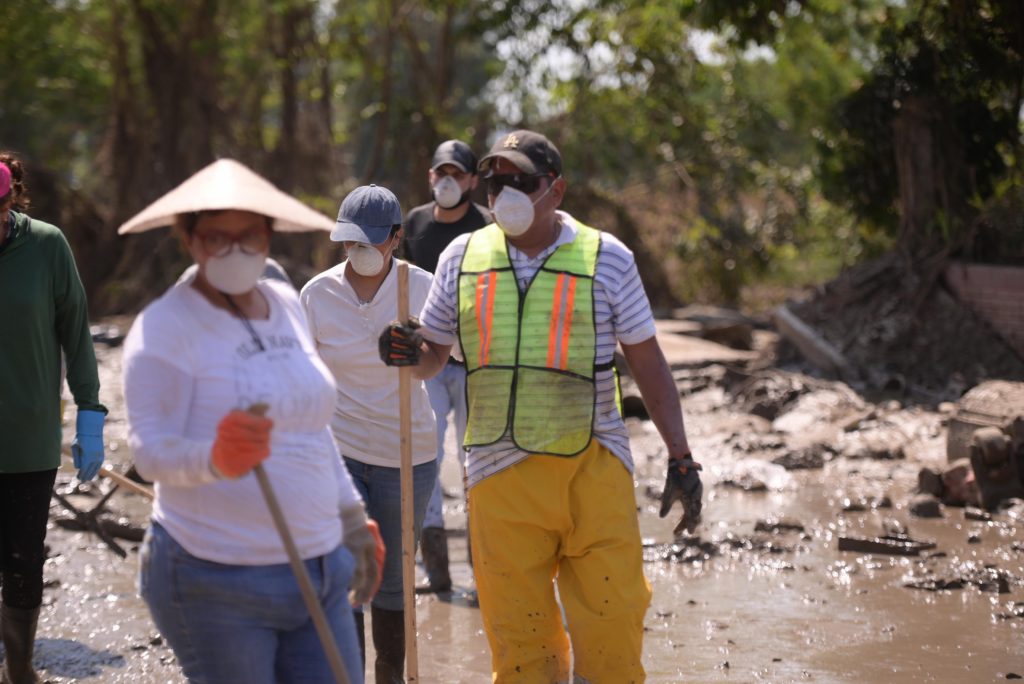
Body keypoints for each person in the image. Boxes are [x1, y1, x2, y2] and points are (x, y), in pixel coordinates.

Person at [379, 130, 704, 682]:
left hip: (592, 469)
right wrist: (408, 352)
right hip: (499, 475)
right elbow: (433, 355)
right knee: (522, 648)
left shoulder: (608, 258)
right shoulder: (461, 257)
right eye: (495, 182)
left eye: (521, 181)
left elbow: (648, 362)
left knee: (612, 629)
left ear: (556, 189)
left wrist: (681, 457)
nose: (504, 193)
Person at [119, 159, 382, 684]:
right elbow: (148, 451)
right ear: (189, 239)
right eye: (218, 237)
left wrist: (352, 517)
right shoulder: (164, 326)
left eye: (251, 236)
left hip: (321, 567)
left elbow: (311, 428)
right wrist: (214, 459)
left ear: (268, 237)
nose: (236, 251)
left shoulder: (284, 302)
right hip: (216, 578)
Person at [300, 184, 437, 683]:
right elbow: (303, 374)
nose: (356, 249)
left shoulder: (420, 288)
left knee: (394, 581)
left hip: (407, 453)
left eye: (369, 239)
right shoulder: (317, 294)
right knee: (348, 576)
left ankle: (389, 676)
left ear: (395, 238)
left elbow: (451, 357)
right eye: (349, 239)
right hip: (341, 451)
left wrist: (420, 346)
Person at [0, 152, 107, 684]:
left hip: (28, 440)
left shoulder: (45, 246)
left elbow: (76, 331)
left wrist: (90, 413)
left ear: (9, 201)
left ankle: (20, 670)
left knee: (23, 562)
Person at [402, 140, 491, 593]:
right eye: (442, 172)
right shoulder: (414, 223)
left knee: (478, 460)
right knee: (426, 456)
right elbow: (401, 283)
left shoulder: (489, 227)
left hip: (478, 365)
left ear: (473, 180)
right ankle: (435, 570)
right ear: (430, 176)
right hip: (428, 362)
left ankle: (485, 566)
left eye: (458, 173)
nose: (448, 181)